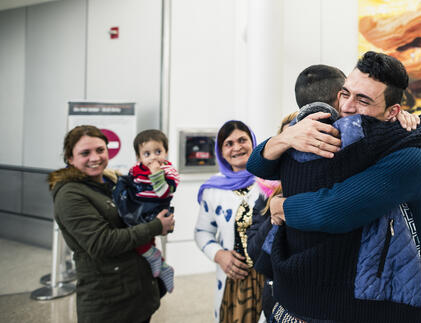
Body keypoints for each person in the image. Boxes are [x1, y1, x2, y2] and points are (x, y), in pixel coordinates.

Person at [247, 52, 421, 323]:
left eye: (363, 100)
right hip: (331, 292)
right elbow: (258, 164)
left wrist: (282, 205)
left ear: (393, 112)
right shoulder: (339, 138)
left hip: (393, 300)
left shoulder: (410, 158)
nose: (347, 107)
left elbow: (333, 209)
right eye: (345, 93)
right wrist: (285, 138)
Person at [48, 125, 174, 323]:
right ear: (70, 159)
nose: (95, 158)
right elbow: (101, 243)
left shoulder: (113, 182)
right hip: (110, 304)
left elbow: (136, 214)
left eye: (100, 150)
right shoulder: (70, 195)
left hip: (137, 294)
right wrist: (155, 227)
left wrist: (161, 218)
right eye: (85, 153)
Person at [195, 120, 279, 323]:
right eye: (229, 143)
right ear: (221, 151)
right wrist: (219, 255)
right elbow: (202, 232)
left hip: (270, 277)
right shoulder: (212, 189)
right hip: (234, 280)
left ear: (253, 143)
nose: (237, 147)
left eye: (242, 140)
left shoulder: (272, 180)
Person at [113, 129, 180, 293]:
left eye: (158, 151)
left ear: (166, 152)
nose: (153, 157)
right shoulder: (135, 170)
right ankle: (163, 266)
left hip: (155, 210)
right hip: (137, 209)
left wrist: (156, 173)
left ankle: (155, 257)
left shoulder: (168, 170)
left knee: (141, 238)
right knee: (140, 239)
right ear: (139, 157)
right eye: (147, 153)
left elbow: (163, 191)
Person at [246, 113, 293, 323]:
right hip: (274, 301)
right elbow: (254, 251)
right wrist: (275, 212)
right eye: (286, 143)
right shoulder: (267, 193)